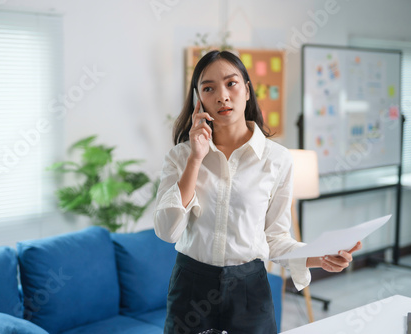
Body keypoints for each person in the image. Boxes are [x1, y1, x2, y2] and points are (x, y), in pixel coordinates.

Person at [153, 50, 362, 334]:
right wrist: (196, 158)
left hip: (250, 290)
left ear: (247, 90)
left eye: (231, 83)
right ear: (198, 100)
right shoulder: (180, 157)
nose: (222, 96)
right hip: (191, 286)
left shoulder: (277, 159)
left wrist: (320, 258)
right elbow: (167, 231)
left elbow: (275, 239)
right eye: (209, 88)